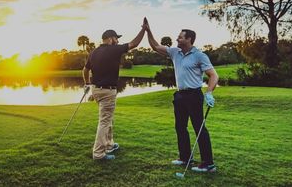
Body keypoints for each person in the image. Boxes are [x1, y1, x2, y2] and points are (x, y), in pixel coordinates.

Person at [143, 19, 219, 172]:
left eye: (180, 37)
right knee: (180, 127)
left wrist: (209, 92)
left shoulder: (199, 55)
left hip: (194, 95)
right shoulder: (174, 52)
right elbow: (155, 46)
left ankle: (208, 163)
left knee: (199, 128)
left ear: (189, 39)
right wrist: (148, 30)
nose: (177, 39)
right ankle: (185, 158)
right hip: (180, 96)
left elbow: (213, 75)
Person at [83, 19, 146, 160]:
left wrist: (87, 84)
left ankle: (109, 145)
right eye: (116, 38)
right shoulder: (114, 49)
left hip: (96, 90)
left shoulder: (93, 52)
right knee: (105, 121)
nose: (117, 41)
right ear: (111, 38)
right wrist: (144, 29)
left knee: (108, 118)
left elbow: (85, 70)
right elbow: (134, 44)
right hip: (107, 91)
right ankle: (99, 153)